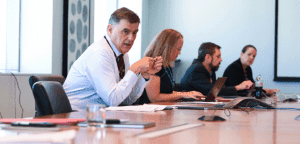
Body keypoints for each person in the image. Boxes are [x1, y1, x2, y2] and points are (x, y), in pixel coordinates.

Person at [63, 7, 162, 110]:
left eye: (134, 33)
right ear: (110, 30)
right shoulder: (100, 53)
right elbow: (113, 100)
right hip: (76, 117)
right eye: (125, 31)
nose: (131, 38)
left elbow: (125, 100)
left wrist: (144, 75)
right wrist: (135, 69)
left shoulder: (122, 55)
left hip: (100, 116)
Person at [137, 29, 203, 104]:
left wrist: (188, 94)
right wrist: (183, 94)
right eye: (178, 49)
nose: (179, 53)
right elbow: (155, 98)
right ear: (167, 47)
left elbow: (167, 92)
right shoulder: (152, 64)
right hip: (148, 112)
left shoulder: (166, 65)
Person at [180, 42, 253, 96]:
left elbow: (217, 91)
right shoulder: (196, 70)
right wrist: (238, 87)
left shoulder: (211, 69)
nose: (221, 59)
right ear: (208, 57)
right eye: (218, 56)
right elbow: (213, 92)